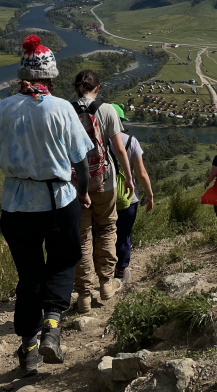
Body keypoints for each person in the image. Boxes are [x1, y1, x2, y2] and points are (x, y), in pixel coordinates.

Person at [0, 34, 93, 377]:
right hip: (59, 202)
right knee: (61, 264)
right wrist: (82, 193)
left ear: (21, 76)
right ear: (51, 77)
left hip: (18, 206)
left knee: (29, 276)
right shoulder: (62, 109)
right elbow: (81, 163)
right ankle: (52, 329)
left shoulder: (3, 108)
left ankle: (28, 349)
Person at [71, 70, 135, 314]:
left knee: (82, 235)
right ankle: (106, 285)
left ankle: (84, 296)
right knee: (107, 228)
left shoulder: (66, 109)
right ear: (97, 88)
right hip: (105, 181)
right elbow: (118, 148)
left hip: (75, 184)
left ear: (76, 88)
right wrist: (128, 178)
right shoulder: (107, 109)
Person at [111, 104, 154, 283]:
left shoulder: (94, 140)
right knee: (123, 235)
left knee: (99, 234)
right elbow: (142, 173)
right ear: (120, 121)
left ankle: (100, 271)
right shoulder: (130, 141)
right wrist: (150, 195)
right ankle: (121, 270)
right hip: (128, 196)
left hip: (100, 197)